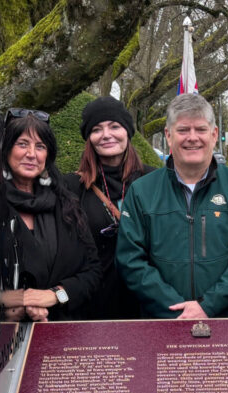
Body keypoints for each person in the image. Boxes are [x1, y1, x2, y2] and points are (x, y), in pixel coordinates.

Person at [0, 108, 100, 393]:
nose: (31, 154)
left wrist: (54, 295)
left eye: (40, 146)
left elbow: (91, 271)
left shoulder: (68, 205)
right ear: (4, 150)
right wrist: (12, 301)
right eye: (22, 144)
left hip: (60, 346)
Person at [116, 93, 228, 319]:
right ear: (168, 135)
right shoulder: (141, 191)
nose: (192, 137)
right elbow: (130, 260)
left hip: (226, 323)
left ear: (214, 134)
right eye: (183, 130)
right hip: (163, 322)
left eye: (200, 129)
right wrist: (176, 308)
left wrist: (208, 305)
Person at [63, 96, 151, 319]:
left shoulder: (155, 181)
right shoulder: (72, 187)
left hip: (146, 303)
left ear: (128, 132)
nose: (106, 135)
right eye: (96, 129)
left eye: (114, 126)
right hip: (93, 304)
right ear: (89, 138)